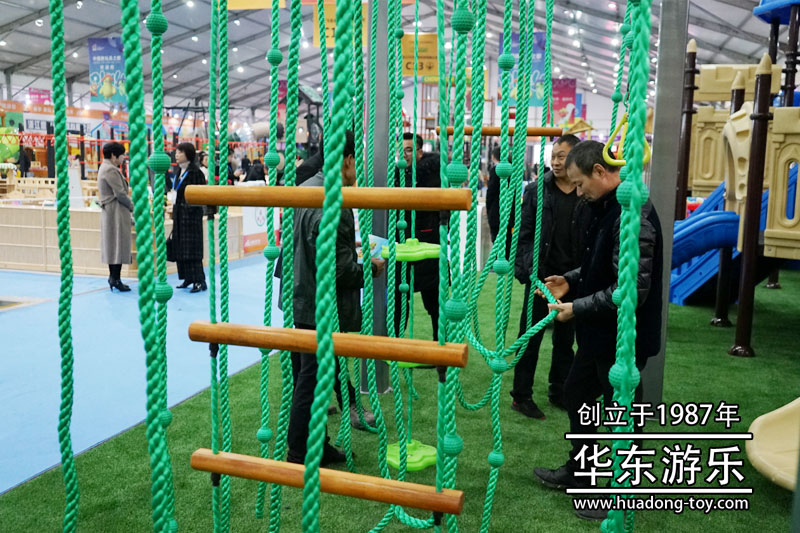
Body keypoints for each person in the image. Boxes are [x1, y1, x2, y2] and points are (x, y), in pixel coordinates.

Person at [532, 140, 663, 518]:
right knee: (578, 394)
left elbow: (630, 290)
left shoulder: (632, 213)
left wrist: (576, 307)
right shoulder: (606, 205)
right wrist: (571, 279)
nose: (577, 192)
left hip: (623, 337)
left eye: (580, 183)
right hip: (599, 334)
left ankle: (623, 493)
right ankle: (582, 470)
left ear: (601, 172)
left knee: (623, 414)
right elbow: (600, 262)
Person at [287, 130, 385, 465]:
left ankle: (313, 444)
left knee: (308, 376)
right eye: (359, 162)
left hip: (301, 296)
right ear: (348, 160)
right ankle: (301, 450)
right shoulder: (335, 201)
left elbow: (311, 248)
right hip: (321, 304)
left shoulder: (305, 188)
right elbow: (340, 270)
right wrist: (370, 268)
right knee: (312, 379)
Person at [511, 134, 586, 419]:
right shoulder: (536, 191)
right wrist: (531, 276)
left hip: (572, 280)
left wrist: (576, 278)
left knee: (565, 341)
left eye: (561, 156)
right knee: (530, 338)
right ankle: (521, 396)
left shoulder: (584, 190)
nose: (555, 162)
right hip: (540, 280)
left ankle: (559, 391)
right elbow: (524, 236)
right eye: (553, 156)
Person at [393, 132, 441, 340]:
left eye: (409, 150)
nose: (404, 154)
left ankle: (440, 347)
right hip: (403, 244)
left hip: (428, 245)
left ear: (420, 152)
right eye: (401, 150)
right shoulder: (396, 175)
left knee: (434, 302)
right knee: (397, 300)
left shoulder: (433, 176)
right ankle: (394, 345)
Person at [98, 142, 133, 292]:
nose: (123, 158)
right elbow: (120, 194)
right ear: (114, 155)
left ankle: (114, 278)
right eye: (122, 155)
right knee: (117, 244)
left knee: (113, 244)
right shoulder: (111, 170)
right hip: (115, 212)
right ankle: (115, 278)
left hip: (111, 211)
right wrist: (132, 206)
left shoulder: (105, 167)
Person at [172, 142, 207, 293]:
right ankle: (187, 277)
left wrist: (187, 208)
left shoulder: (195, 173)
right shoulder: (178, 171)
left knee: (193, 249)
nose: (177, 155)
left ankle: (199, 280)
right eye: (176, 152)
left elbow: (200, 196)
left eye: (180, 152)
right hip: (179, 215)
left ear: (188, 154)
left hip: (191, 217)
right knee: (181, 248)